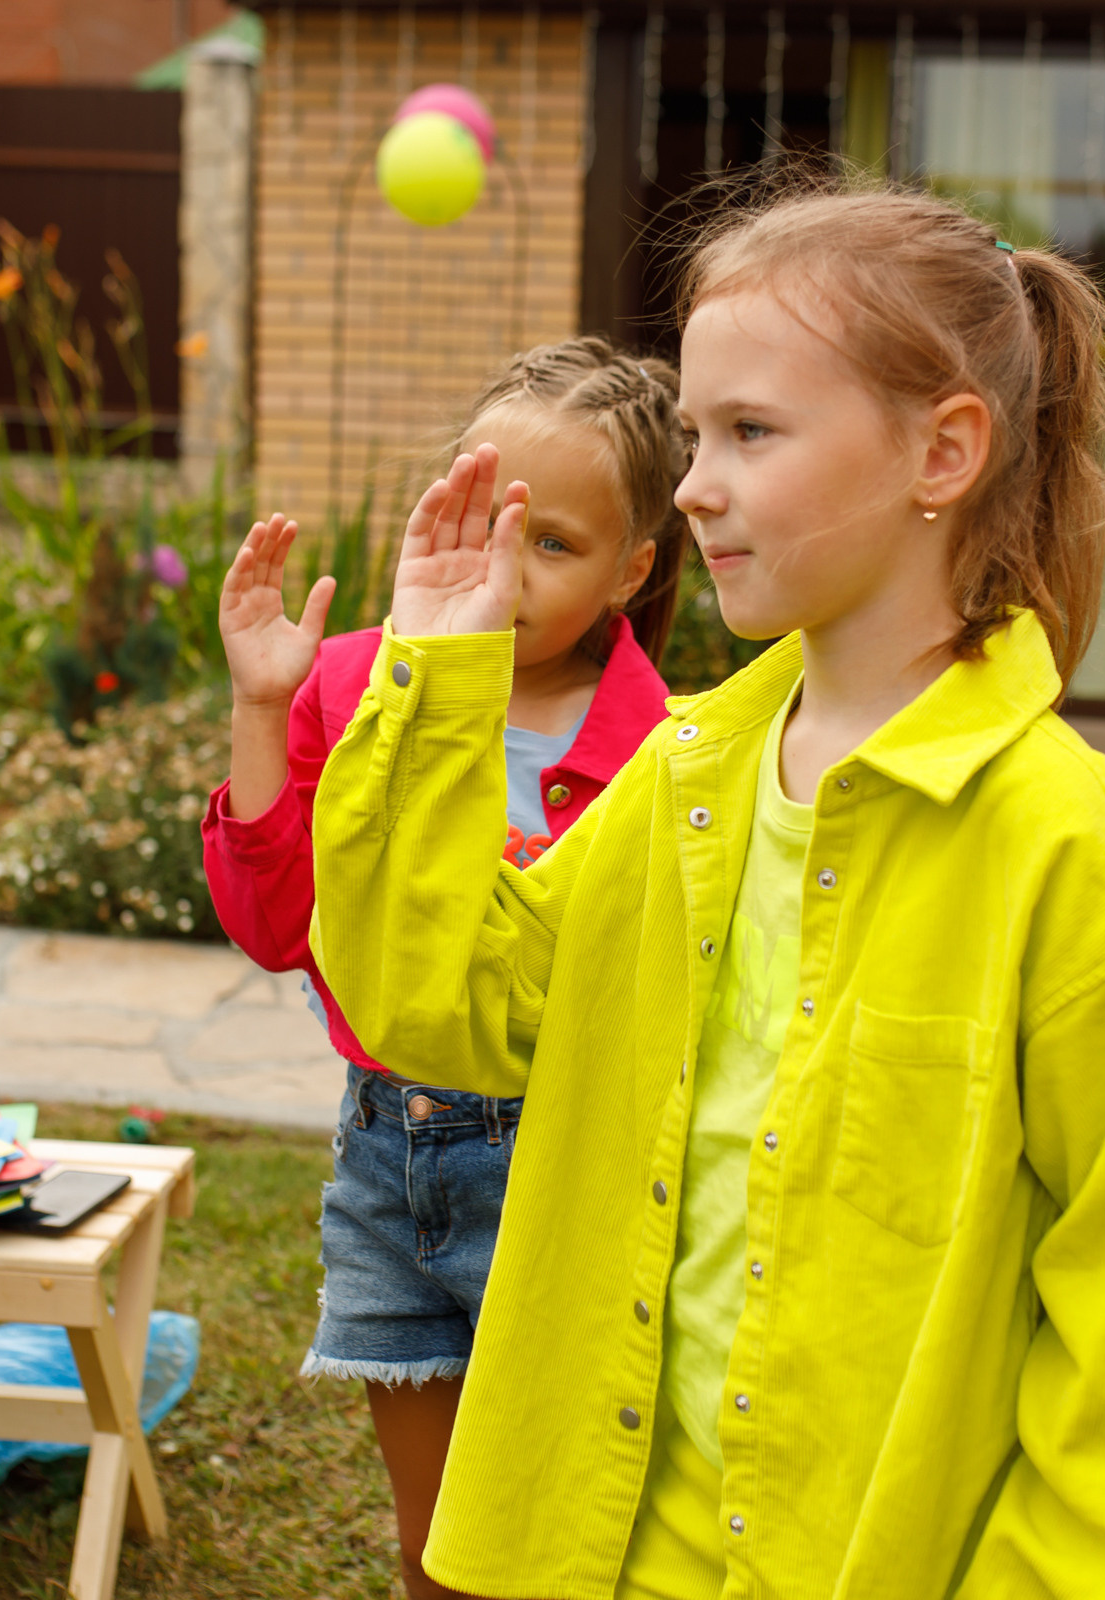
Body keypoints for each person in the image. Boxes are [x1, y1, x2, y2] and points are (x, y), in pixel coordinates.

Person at [307, 183, 1105, 1599]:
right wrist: (445, 679)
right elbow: (439, 1006)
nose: (693, 485)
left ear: (944, 451)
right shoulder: (686, 775)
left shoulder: (1059, 839)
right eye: (696, 435)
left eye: (750, 433)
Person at [204, 337, 689, 1600]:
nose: (506, 576)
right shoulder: (359, 683)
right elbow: (274, 926)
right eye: (486, 524)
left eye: (556, 545)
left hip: (567, 1166)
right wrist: (266, 706)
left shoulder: (670, 751)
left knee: (578, 1533)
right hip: (389, 1155)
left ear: (636, 568)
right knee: (438, 1550)